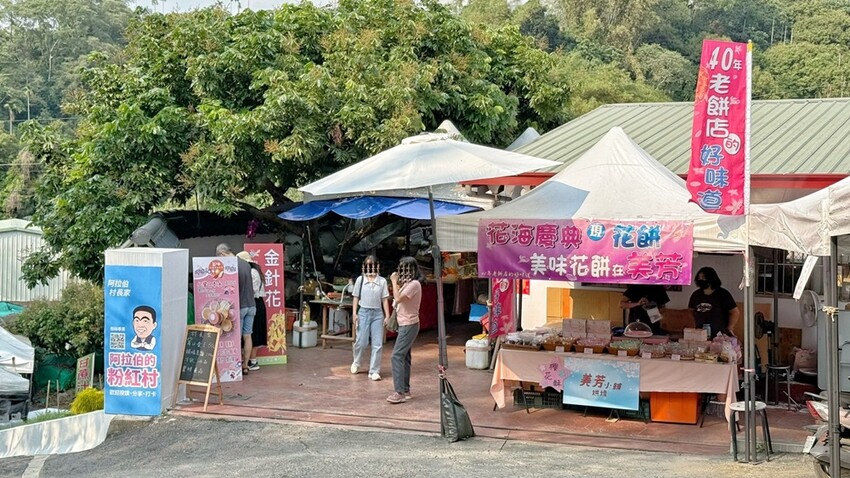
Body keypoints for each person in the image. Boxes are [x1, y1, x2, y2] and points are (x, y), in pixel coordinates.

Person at [386, 257, 423, 404]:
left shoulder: (414, 284)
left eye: (405, 268)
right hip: (404, 324)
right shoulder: (408, 284)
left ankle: (399, 392)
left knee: (396, 356)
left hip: (409, 325)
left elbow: (398, 298)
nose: (402, 271)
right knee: (405, 357)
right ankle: (405, 389)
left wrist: (394, 281)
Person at [216, 243, 256, 376]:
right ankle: (245, 366)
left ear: (222, 254)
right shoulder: (245, 264)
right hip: (251, 305)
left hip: (239, 307)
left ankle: (235, 367)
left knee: (235, 337)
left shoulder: (230, 266)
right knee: (248, 336)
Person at [350, 255, 391, 381]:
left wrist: (387, 315)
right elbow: (355, 297)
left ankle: (374, 370)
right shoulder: (360, 280)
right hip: (363, 312)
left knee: (377, 343)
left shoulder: (382, 281)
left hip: (377, 314)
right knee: (361, 342)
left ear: (377, 267)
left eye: (373, 265)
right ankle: (356, 362)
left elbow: (385, 300)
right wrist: (355, 313)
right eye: (368, 265)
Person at [688, 266, 740, 338]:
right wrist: (694, 324)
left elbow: (734, 312)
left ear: (711, 278)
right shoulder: (696, 295)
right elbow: (691, 310)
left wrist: (730, 327)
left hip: (719, 334)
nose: (700, 280)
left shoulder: (723, 294)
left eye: (703, 278)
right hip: (700, 333)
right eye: (699, 278)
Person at [237, 251, 267, 372]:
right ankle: (250, 361)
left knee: (250, 334)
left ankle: (250, 361)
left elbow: (250, 290)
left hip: (251, 302)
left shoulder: (250, 272)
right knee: (251, 334)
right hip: (257, 304)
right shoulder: (257, 271)